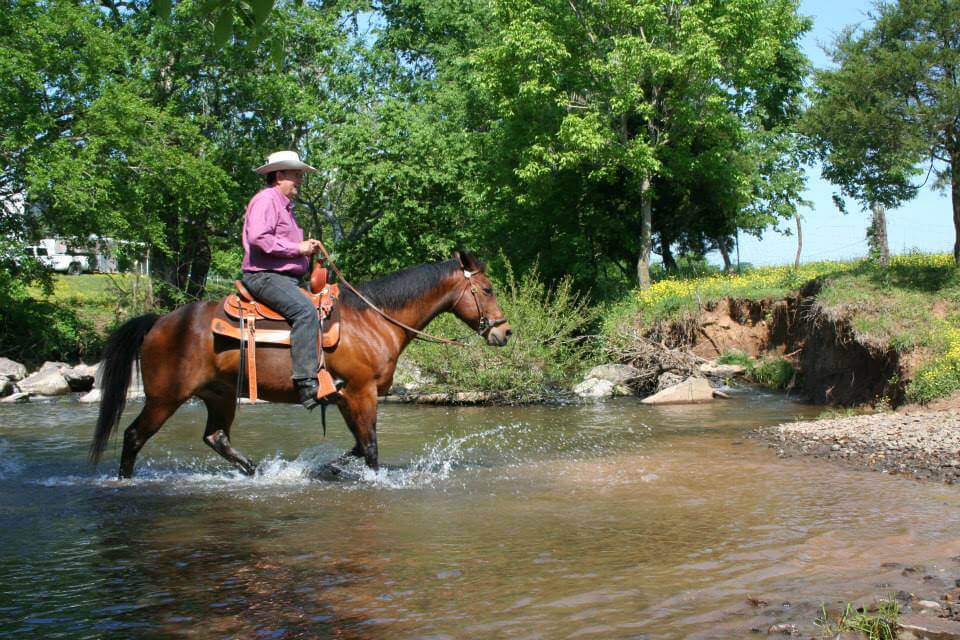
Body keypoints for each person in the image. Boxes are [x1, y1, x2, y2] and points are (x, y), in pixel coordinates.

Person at [241, 150, 329, 410]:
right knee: (304, 312)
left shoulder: (285, 207)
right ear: (279, 176)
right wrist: (298, 249)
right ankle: (305, 384)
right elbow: (259, 237)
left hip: (284, 279)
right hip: (264, 276)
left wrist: (305, 249)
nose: (300, 180)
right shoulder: (266, 199)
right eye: (296, 175)